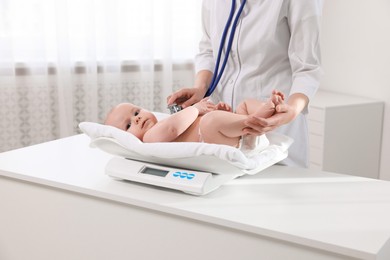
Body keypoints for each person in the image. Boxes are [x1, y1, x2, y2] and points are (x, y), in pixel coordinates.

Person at [167, 0, 323, 167]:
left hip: (273, 126)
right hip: (223, 132)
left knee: (276, 188)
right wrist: (200, 87)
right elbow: (208, 49)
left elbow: (307, 69)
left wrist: (292, 110)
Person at [104, 91, 284, 154]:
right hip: (216, 138)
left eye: (136, 111)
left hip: (230, 136)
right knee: (210, 121)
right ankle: (250, 122)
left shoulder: (163, 121)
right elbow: (174, 128)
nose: (136, 118)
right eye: (128, 125)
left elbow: (180, 123)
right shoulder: (150, 139)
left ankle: (263, 112)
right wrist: (196, 109)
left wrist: (224, 114)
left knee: (243, 104)